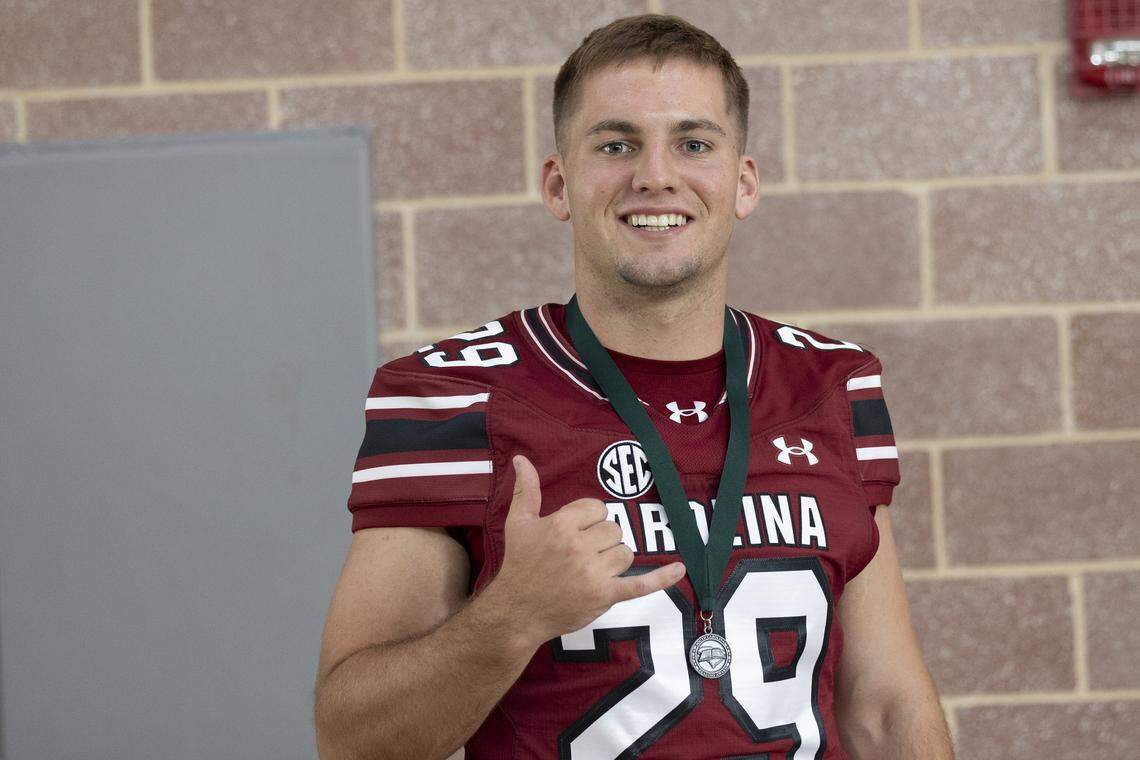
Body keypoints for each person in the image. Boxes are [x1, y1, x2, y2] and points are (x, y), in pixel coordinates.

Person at [313, 13, 954, 760]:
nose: (656, 175)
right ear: (560, 183)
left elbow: (884, 705)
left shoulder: (831, 384)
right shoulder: (449, 395)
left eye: (694, 143)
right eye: (616, 144)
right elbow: (352, 740)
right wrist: (514, 615)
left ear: (743, 183)